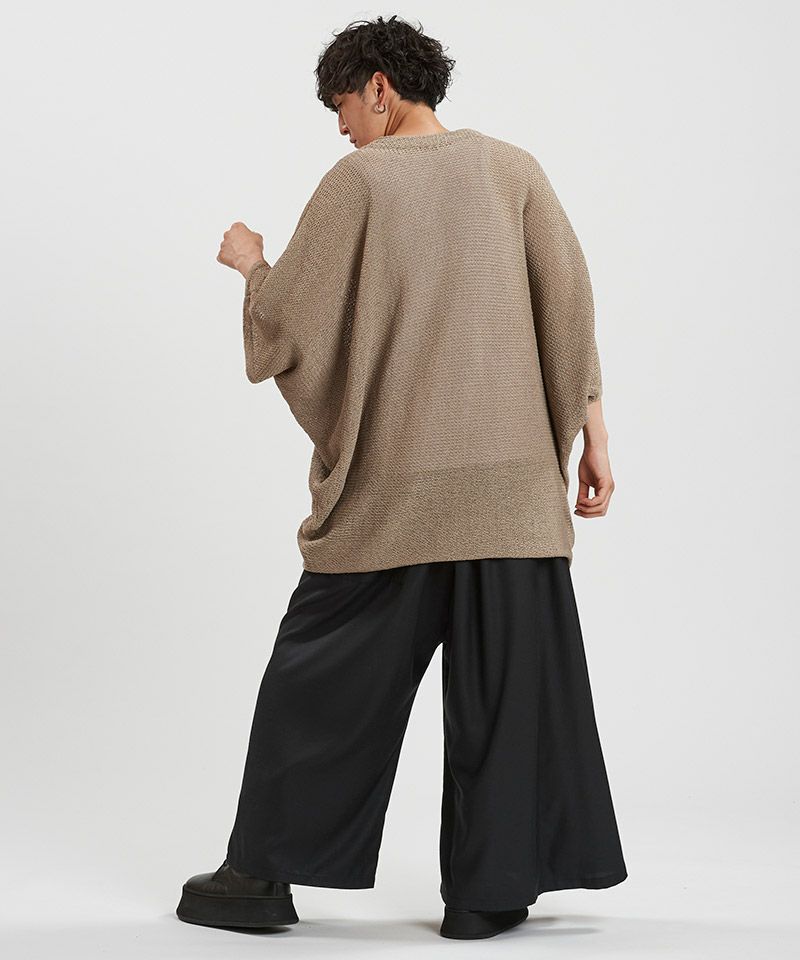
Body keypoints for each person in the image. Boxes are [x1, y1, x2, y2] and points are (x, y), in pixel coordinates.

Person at [176, 14, 627, 941]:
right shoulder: (514, 170)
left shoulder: (363, 181)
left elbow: (293, 320)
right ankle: (490, 892)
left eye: (341, 105)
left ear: (379, 87)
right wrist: (594, 436)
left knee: (319, 686)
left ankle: (258, 877)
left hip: (398, 498)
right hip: (511, 498)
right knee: (508, 697)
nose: (342, 128)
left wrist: (252, 264)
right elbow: (569, 306)